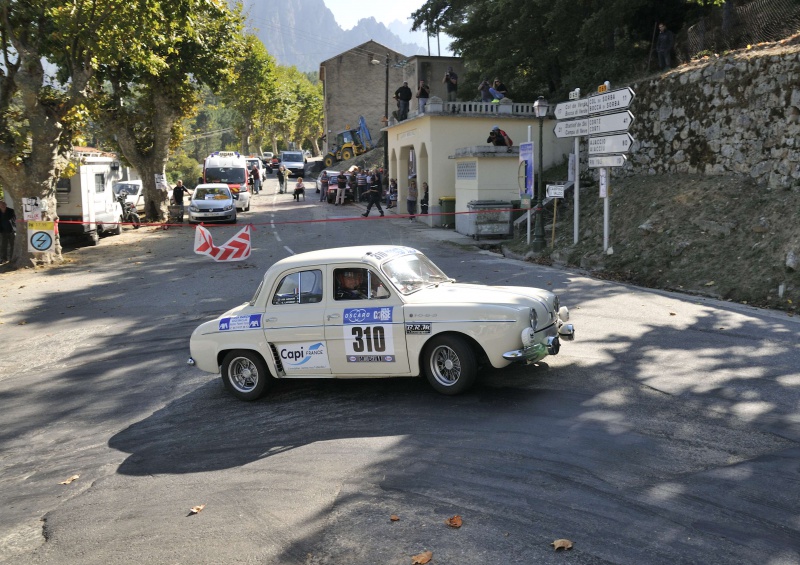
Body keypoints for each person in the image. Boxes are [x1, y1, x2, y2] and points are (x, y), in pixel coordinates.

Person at [0, 200, 16, 264]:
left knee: (13, 245)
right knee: (3, 245)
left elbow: (14, 220)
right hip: (2, 231)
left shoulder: (11, 211)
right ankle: (3, 258)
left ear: (6, 205)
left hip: (11, 230)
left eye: (3, 204)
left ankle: (12, 258)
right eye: (1, 205)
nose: (2, 206)